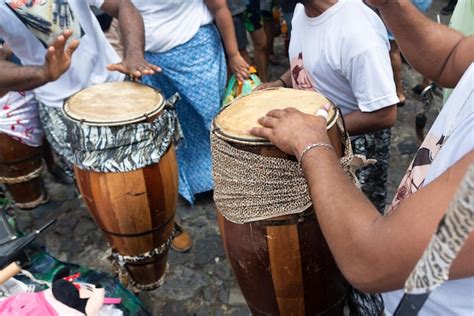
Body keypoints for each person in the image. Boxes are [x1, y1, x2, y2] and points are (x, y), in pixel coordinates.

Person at [250, 0, 474, 314]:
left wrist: (313, 141)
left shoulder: (353, 30)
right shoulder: (306, 16)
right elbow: (452, 57)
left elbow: (370, 258)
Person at [258, 0, 398, 214]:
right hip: (316, 138)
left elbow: (385, 114)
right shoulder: (301, 10)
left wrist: (315, 130)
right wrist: (281, 83)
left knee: (355, 230)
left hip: (354, 150)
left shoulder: (359, 33)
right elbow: (305, 60)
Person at [0, 0, 158, 182]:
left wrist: (134, 55)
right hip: (61, 108)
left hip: (115, 86)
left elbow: (122, 5)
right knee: (103, 186)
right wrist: (43, 73)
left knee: (146, 172)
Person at [245, 0, 269, 81]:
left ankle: (263, 81)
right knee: (240, 50)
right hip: (233, 9)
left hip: (252, 5)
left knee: (261, 44)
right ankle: (248, 85)